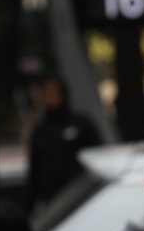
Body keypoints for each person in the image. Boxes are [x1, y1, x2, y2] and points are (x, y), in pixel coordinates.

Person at [26, 74, 102, 213]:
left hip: (81, 198)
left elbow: (98, 159)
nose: (50, 97)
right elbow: (34, 171)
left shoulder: (81, 124)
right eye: (46, 92)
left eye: (54, 92)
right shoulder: (40, 131)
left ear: (63, 93)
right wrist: (29, 207)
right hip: (52, 202)